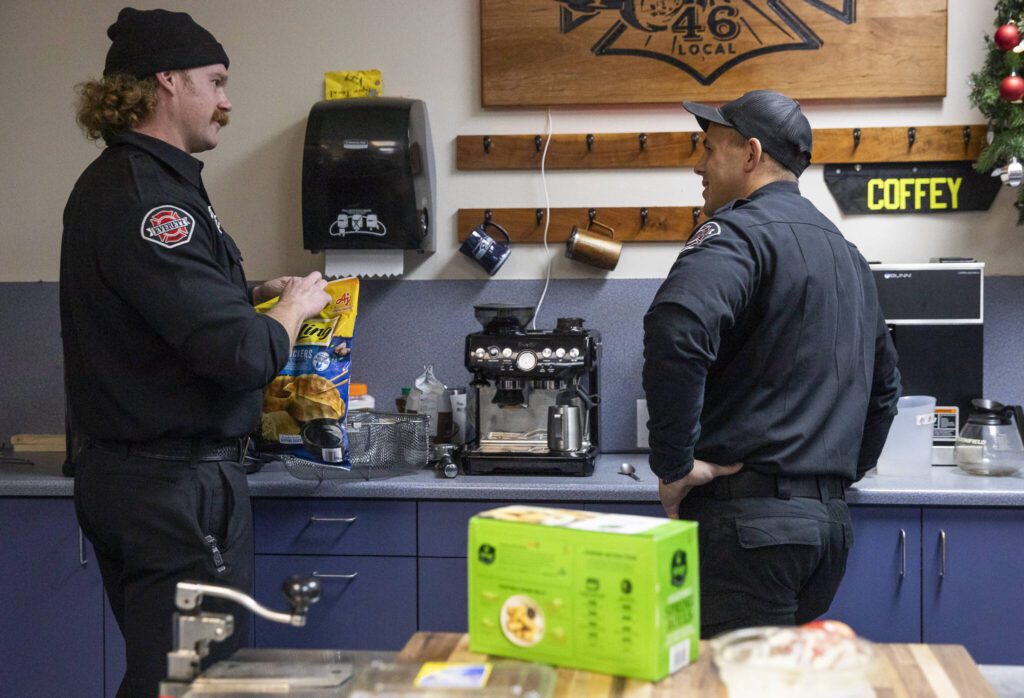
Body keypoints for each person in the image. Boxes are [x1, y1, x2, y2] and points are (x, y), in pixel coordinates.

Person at [60, 8, 331, 696]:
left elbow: (159, 312)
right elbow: (241, 356)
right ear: (168, 81)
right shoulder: (153, 202)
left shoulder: (136, 184)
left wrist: (247, 291)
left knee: (172, 677)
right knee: (193, 683)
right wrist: (294, 308)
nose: (227, 101)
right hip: (173, 490)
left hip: (143, 482)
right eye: (216, 81)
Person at [642, 90, 901, 638]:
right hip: (826, 536)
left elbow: (678, 328)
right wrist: (829, 482)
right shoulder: (847, 255)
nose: (698, 163)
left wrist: (673, 464)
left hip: (746, 535)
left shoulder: (735, 233)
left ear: (751, 154)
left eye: (708, 148)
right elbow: (885, 391)